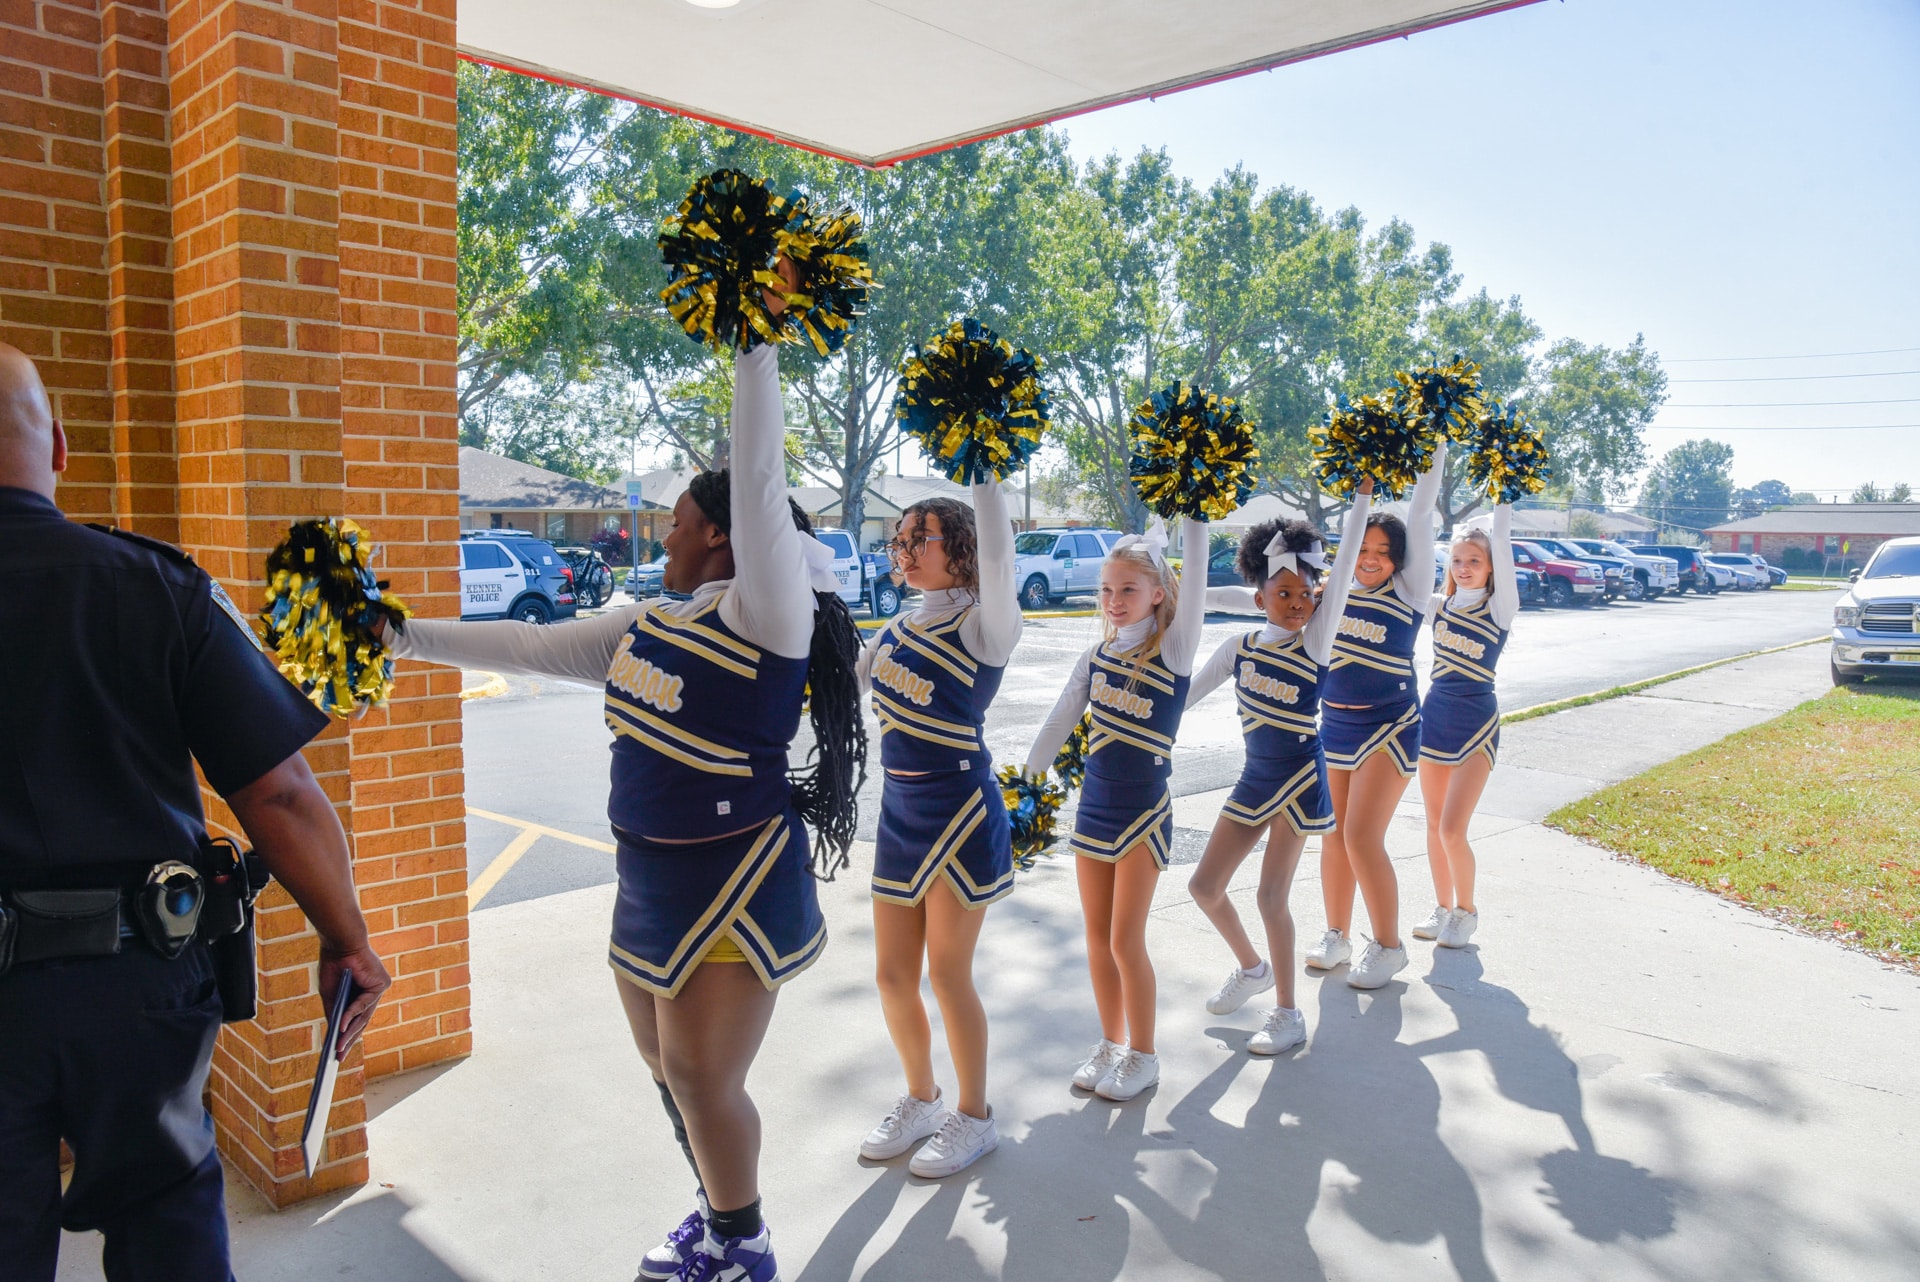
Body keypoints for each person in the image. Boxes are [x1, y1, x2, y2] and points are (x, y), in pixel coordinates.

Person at [383, 313, 866, 1282]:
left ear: (721, 535)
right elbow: (521, 646)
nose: (670, 531)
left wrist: (755, 340)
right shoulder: (643, 623)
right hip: (648, 879)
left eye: (683, 520)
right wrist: (395, 632)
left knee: (700, 1072)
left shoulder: (763, 616)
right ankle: (721, 1211)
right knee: (668, 1069)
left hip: (733, 880)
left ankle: (745, 1246)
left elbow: (762, 477)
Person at [0, 342, 392, 1282]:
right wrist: (346, 939)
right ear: (57, 446)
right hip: (138, 993)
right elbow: (280, 792)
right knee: (166, 1229)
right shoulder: (154, 586)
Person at [855, 484, 1019, 1179]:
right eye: (904, 538)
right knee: (893, 976)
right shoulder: (890, 631)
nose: (909, 548)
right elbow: (833, 689)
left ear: (963, 549)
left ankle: (975, 1117)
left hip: (959, 810)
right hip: (899, 812)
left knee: (948, 975)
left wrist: (984, 470)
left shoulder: (986, 625)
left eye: (924, 537)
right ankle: (921, 1098)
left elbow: (1002, 549)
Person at [1024, 515, 1208, 1102]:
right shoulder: (1094, 658)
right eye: (1106, 590)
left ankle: (1144, 1055)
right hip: (1094, 811)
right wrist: (1022, 788)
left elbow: (1199, 580)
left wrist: (1197, 512)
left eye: (1127, 589)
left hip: (1144, 813)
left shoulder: (1174, 651)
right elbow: (1058, 721)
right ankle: (1109, 1042)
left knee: (1127, 941)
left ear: (1157, 593)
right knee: (1098, 939)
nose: (1114, 601)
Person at [1185, 482, 1371, 1055]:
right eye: (1283, 591)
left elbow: (1339, 575)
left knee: (1271, 897)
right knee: (1204, 886)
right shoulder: (1237, 648)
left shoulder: (1313, 644)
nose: (1297, 601)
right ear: (1258, 596)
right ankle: (1251, 967)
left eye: (1306, 593)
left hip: (1298, 776)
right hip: (1254, 778)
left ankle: (1288, 1014)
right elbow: (1180, 700)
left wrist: (1360, 498)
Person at [1308, 441, 1448, 990]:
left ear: (1400, 560)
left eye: (1383, 551)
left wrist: (1432, 442)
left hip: (1388, 727)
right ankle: (1336, 935)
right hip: (1333, 728)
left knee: (1362, 838)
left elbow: (1421, 512)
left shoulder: (1410, 592)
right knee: (1333, 837)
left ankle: (1388, 948)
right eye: (1361, 547)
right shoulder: (1332, 592)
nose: (1369, 558)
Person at [1412, 504, 1518, 950]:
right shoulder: (1438, 606)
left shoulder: (1500, 609)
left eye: (1475, 560)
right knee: (1435, 824)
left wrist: (1503, 500)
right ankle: (1442, 908)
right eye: (1457, 560)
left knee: (1453, 829)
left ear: (1492, 567)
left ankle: (1466, 911)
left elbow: (1505, 545)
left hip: (1476, 724)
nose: (1465, 568)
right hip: (1434, 718)